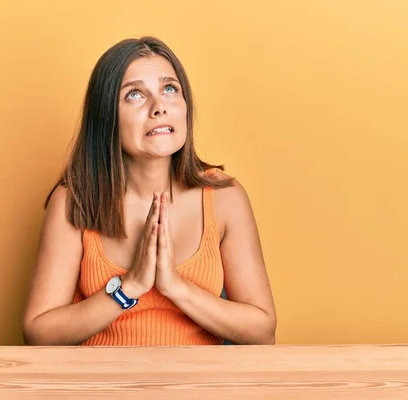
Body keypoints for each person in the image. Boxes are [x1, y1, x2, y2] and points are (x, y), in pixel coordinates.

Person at [22, 36, 276, 346]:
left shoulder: (225, 197)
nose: (159, 108)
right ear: (107, 117)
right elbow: (39, 333)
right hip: (100, 389)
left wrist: (175, 286)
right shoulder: (74, 201)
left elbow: (262, 332)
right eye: (134, 95)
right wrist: (128, 288)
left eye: (170, 89)